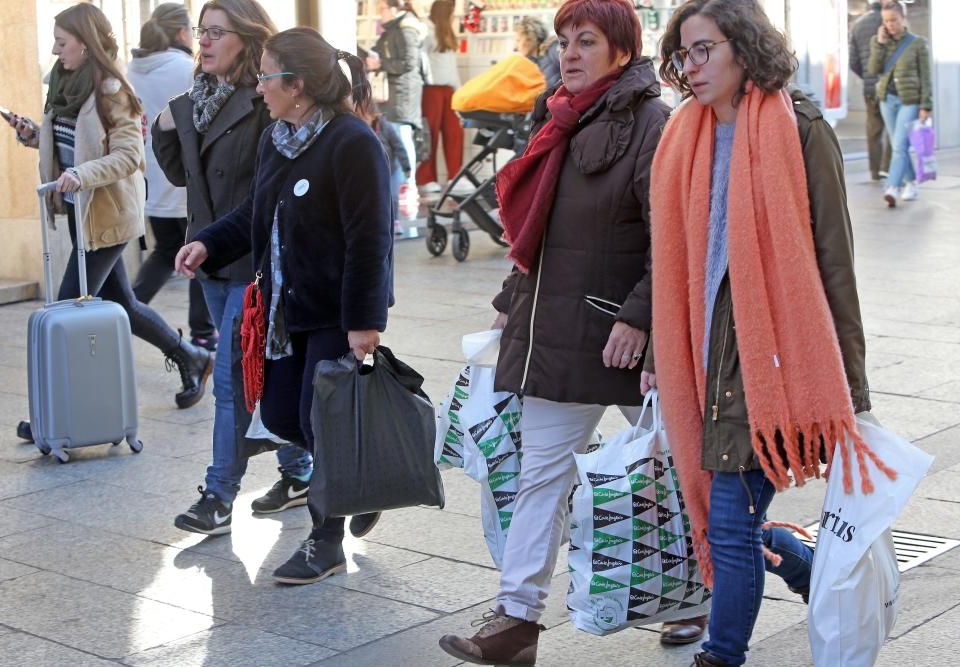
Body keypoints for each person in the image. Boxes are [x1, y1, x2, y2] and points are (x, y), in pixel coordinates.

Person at [438, 1, 672, 663]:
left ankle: (704, 595)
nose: (569, 52)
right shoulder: (555, 117)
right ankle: (516, 619)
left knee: (681, 468)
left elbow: (670, 238)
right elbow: (535, 234)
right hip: (557, 331)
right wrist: (511, 299)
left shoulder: (652, 124)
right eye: (565, 40)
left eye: (586, 41)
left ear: (621, 50)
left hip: (622, 337)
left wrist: (640, 316)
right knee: (540, 475)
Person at [648, 1, 874, 664]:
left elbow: (834, 261)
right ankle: (800, 561)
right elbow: (671, 261)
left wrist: (850, 381)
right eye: (684, 54)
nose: (691, 67)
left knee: (728, 519)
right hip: (702, 347)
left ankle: (721, 654)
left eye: (704, 50)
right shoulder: (681, 135)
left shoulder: (800, 128)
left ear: (744, 47)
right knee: (732, 517)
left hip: (770, 353)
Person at [174, 27, 393, 584]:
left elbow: (371, 239)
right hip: (282, 311)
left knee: (318, 424)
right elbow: (255, 210)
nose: (257, 85)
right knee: (278, 416)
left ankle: (326, 540)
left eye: (266, 75)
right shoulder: (278, 137)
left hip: (332, 312)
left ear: (296, 85)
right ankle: (360, 476)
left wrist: (364, 322)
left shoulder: (352, 142)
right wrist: (209, 242)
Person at [7, 2, 212, 432]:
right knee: (123, 303)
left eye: (62, 42)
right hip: (81, 212)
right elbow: (75, 143)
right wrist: (34, 137)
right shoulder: (63, 84)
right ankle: (191, 357)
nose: (55, 50)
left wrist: (80, 175)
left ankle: (52, 413)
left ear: (85, 43)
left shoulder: (112, 90)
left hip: (109, 214)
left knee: (65, 309)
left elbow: (127, 155)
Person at [153, 0, 314, 536]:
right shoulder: (196, 101)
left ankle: (218, 495)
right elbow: (183, 176)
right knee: (255, 377)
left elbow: (259, 195)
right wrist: (166, 128)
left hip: (253, 260)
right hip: (212, 257)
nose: (204, 41)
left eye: (217, 32)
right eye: (201, 32)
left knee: (229, 382)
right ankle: (299, 472)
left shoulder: (263, 100)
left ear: (245, 38)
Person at [127, 3, 217, 352]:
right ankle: (203, 330)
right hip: (185, 180)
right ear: (183, 33)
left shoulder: (129, 70)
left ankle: (127, 309)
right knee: (201, 253)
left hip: (149, 180)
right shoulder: (186, 69)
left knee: (167, 251)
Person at [869, 0, 933, 208]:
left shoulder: (917, 43)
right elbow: (873, 69)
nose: (890, 25)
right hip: (887, 100)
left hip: (910, 101)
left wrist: (926, 105)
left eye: (894, 20)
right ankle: (912, 182)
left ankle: (892, 187)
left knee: (899, 146)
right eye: (886, 21)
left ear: (903, 18)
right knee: (899, 146)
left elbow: (926, 76)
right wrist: (879, 43)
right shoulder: (879, 41)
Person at [374, 0, 427, 207]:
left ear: (395, 8)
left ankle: (408, 184)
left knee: (402, 136)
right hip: (396, 91)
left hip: (403, 92)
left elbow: (409, 63)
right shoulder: (394, 29)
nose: (380, 14)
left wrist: (380, 63)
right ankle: (403, 183)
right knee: (398, 135)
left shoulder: (406, 29)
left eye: (382, 8)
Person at [416, 0, 462, 195]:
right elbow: (419, 62)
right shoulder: (426, 30)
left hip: (449, 89)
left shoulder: (448, 32)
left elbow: (451, 66)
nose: (454, 16)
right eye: (452, 12)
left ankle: (455, 175)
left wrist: (459, 91)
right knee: (430, 134)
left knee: (455, 133)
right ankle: (425, 178)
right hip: (431, 89)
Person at [849, 1, 890, 182]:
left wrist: (867, 76)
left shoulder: (858, 25)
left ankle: (875, 173)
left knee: (874, 131)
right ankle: (887, 169)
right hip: (891, 86)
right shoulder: (890, 20)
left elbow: (853, 61)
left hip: (870, 87)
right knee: (894, 129)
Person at [370, 105, 411, 235]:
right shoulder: (362, 127)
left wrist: (407, 167)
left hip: (391, 169)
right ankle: (380, 223)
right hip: (374, 170)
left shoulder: (386, 127)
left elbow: (399, 146)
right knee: (377, 197)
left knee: (393, 196)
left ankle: (396, 222)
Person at [514, 16, 561, 90]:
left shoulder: (552, 48)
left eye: (518, 40)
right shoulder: (531, 63)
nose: (516, 47)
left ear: (531, 38)